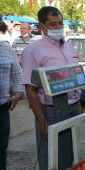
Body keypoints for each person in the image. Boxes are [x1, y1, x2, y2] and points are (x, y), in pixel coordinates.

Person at [21, 6, 81, 170]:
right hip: (51, 111)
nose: (59, 28)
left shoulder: (68, 46)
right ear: (42, 27)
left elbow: (76, 80)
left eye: (60, 23)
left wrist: (80, 108)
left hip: (73, 108)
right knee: (51, 158)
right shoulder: (32, 51)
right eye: (53, 24)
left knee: (70, 154)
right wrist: (43, 122)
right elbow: (30, 90)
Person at [0, 15, 24, 170]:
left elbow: (18, 75)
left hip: (2, 108)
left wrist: (19, 93)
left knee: (1, 149)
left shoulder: (6, 49)